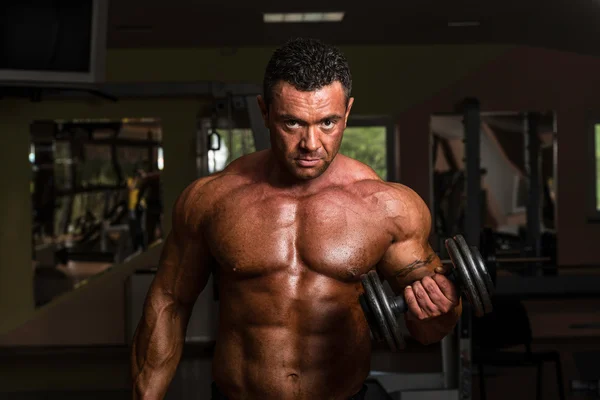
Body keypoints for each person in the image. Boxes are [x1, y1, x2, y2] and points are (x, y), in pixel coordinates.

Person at [131, 37, 462, 400]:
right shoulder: (212, 200)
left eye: (328, 123)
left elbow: (429, 331)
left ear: (347, 112)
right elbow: (169, 303)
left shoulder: (388, 208)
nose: (311, 144)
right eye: (292, 123)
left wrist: (440, 312)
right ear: (264, 111)